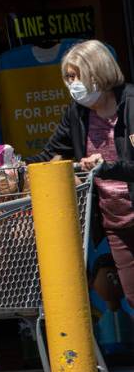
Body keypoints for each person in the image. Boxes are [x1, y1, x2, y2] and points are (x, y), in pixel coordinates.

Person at [27, 39, 134, 333]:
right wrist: (10, 163)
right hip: (115, 222)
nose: (72, 85)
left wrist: (105, 166)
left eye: (77, 76)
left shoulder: (130, 104)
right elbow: (50, 153)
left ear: (97, 72)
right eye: (68, 78)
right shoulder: (77, 113)